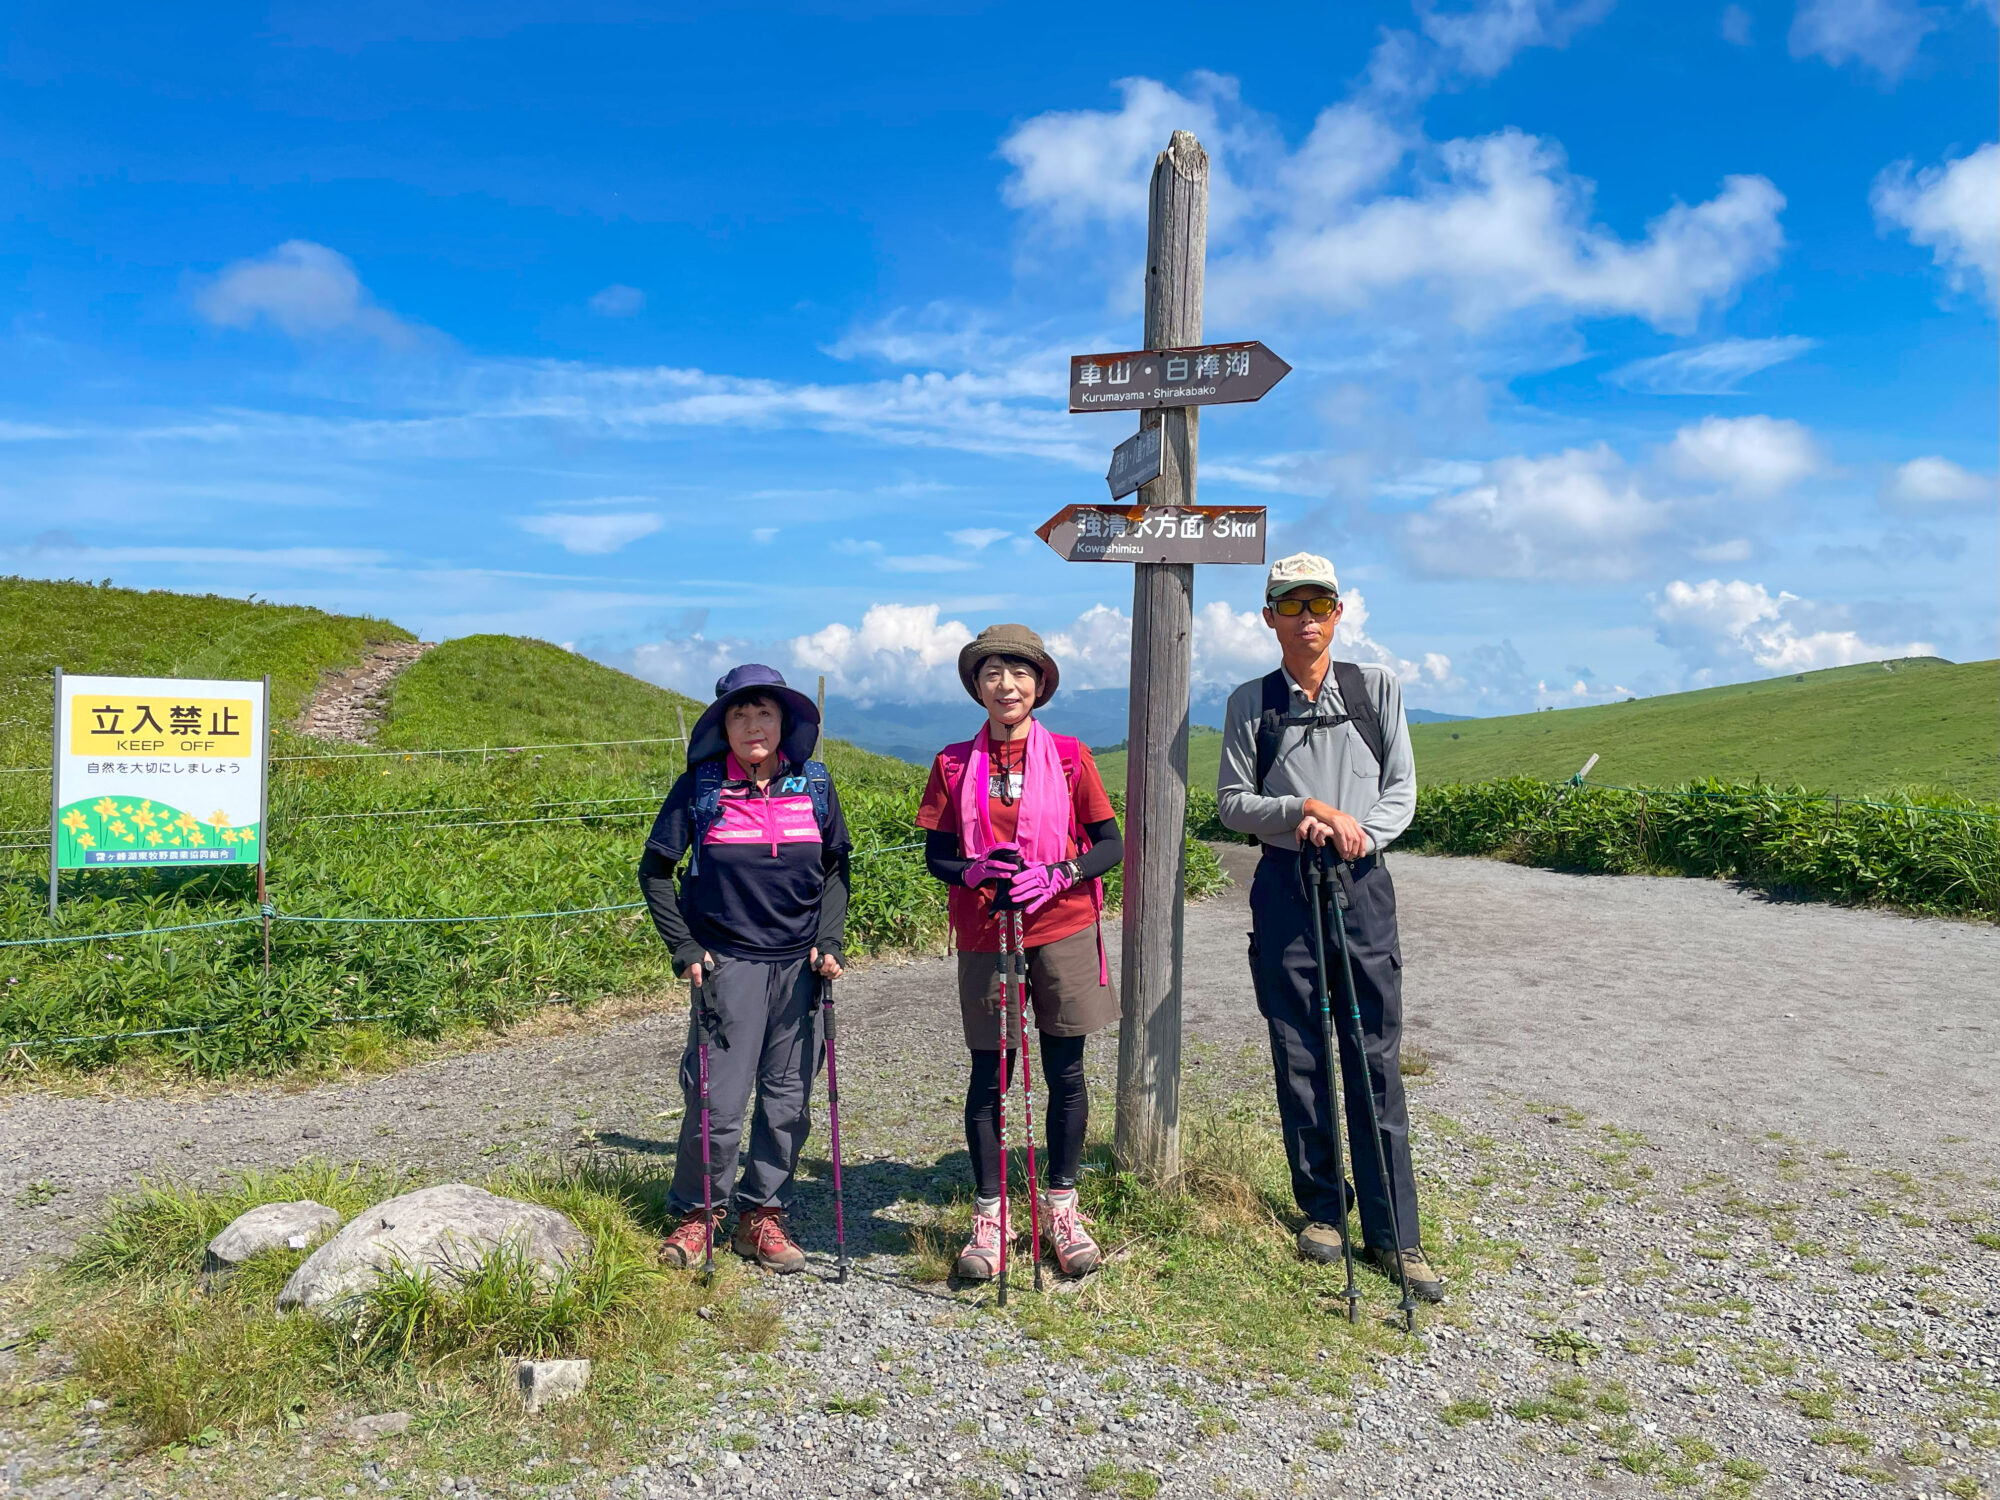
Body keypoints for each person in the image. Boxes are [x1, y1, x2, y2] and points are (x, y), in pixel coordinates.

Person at [1215, 552, 1444, 1302]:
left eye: (1320, 603)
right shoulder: (1250, 702)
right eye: (1291, 603)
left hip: (1362, 882)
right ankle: (1322, 1210)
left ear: (1339, 612)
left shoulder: (1376, 689)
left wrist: (1360, 834)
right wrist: (1305, 813)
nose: (1306, 616)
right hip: (1284, 883)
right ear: (1269, 616)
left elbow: (1402, 790)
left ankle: (1394, 1233)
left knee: (1373, 1053)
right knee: (1298, 1049)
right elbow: (1231, 802)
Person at [917, 624, 1124, 1281]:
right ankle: (991, 1218)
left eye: (1020, 673)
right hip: (986, 932)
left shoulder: (1069, 755)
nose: (1006, 685)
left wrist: (1061, 872)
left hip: (1061, 925)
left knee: (1065, 1070)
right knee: (991, 1074)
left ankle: (1062, 1209)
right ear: (976, 687)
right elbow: (938, 855)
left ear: (1040, 685)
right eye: (992, 674)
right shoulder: (953, 762)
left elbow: (1109, 843)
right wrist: (974, 871)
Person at [638, 664, 851, 1274]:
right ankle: (700, 1214)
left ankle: (761, 1216)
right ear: (722, 725)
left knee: (787, 1099)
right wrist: (684, 947)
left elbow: (837, 866)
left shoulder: (813, 784)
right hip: (727, 965)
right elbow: (655, 872)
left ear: (785, 722)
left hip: (801, 967)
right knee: (717, 1100)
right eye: (740, 714)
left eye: (765, 713)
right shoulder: (701, 789)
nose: (753, 725)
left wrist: (829, 939)